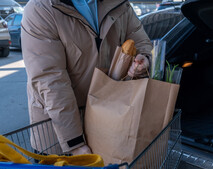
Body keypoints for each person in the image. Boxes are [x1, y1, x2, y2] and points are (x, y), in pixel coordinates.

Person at [22, 0, 152, 155]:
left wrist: (144, 59)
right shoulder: (41, 8)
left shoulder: (119, 4)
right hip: (59, 138)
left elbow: (142, 42)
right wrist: (75, 143)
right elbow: (51, 81)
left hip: (109, 125)